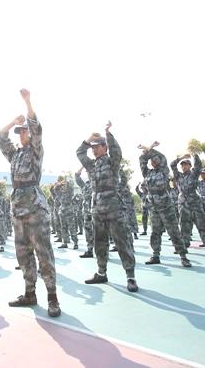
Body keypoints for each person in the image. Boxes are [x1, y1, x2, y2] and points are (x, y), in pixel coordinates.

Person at [0, 89, 61, 317]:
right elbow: (0, 138)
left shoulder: (35, 150)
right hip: (18, 208)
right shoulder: (15, 155)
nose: (21, 134)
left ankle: (52, 297)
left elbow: (37, 127)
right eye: (20, 132)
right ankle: (30, 293)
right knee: (23, 253)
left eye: (23, 131)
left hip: (34, 207)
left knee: (43, 253)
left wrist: (28, 102)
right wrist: (12, 122)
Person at [77, 122, 138, 292]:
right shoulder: (91, 165)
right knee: (99, 243)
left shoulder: (112, 162)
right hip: (97, 209)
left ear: (104, 147)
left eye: (96, 147)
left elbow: (117, 151)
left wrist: (107, 133)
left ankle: (130, 277)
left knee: (122, 242)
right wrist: (89, 139)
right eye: (92, 148)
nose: (93, 150)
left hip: (114, 209)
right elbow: (79, 152)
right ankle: (101, 272)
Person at [138, 142, 191, 267]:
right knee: (155, 232)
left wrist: (149, 148)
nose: (153, 161)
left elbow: (162, 157)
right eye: (151, 160)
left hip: (166, 206)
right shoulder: (147, 173)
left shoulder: (164, 170)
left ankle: (183, 256)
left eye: (155, 159)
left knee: (174, 232)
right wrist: (147, 150)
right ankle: (155, 255)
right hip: (154, 208)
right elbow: (142, 160)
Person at [170, 153, 205, 256]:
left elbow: (198, 164)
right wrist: (182, 157)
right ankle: (184, 246)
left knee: (202, 225)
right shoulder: (178, 175)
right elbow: (172, 165)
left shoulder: (194, 174)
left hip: (195, 203)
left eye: (186, 164)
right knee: (184, 226)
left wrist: (193, 154)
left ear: (190, 166)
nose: (184, 166)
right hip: (183, 204)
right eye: (182, 165)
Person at [75, 167, 94, 258]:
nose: (88, 173)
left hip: (97, 212)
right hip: (87, 213)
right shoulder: (85, 185)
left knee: (100, 232)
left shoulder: (98, 182)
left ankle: (102, 253)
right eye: (87, 172)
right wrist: (82, 167)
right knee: (88, 232)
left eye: (89, 171)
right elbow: (77, 177)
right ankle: (90, 250)